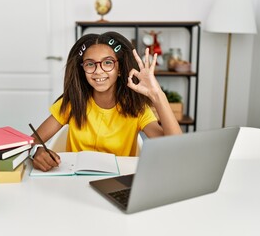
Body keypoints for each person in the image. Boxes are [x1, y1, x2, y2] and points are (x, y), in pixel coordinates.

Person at [30, 31, 182, 172]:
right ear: (83, 70)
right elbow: (31, 142)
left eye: (108, 63)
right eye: (90, 64)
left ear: (120, 68)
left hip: (116, 183)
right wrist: (37, 151)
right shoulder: (72, 103)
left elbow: (175, 150)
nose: (98, 71)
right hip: (75, 183)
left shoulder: (137, 108)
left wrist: (157, 95)